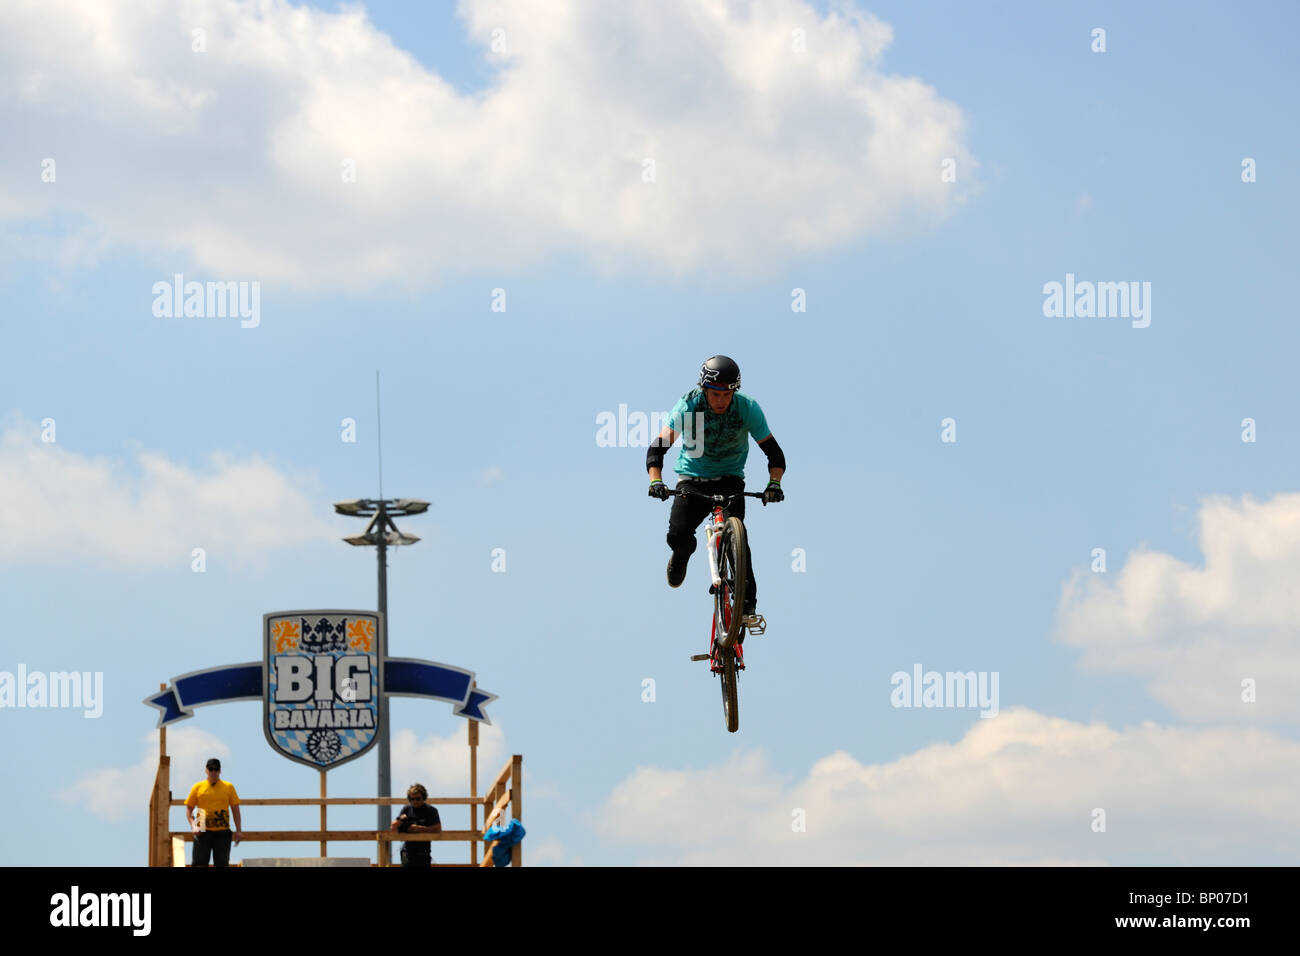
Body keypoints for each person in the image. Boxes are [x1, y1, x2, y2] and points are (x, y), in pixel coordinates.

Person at [647, 355, 785, 626]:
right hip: (693, 479)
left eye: (728, 393)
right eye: (715, 393)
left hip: (731, 478)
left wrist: (774, 484)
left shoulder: (748, 409)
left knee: (740, 542)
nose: (721, 400)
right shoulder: (688, 406)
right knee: (678, 535)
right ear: (704, 390)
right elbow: (658, 447)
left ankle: (747, 607)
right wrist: (656, 480)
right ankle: (682, 553)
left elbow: (774, 454)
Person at [184, 758, 241, 867]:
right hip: (202, 829)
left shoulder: (228, 787)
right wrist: (193, 825)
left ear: (220, 771)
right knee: (199, 864)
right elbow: (189, 809)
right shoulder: (198, 787)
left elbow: (236, 810)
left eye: (216, 769)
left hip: (222, 831)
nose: (213, 772)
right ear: (206, 771)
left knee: (222, 864)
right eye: (211, 769)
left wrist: (238, 830)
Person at [391, 783, 441, 867]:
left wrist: (419, 828)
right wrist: (400, 820)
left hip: (423, 852)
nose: (414, 801)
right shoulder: (406, 809)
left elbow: (438, 829)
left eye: (417, 799)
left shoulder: (431, 810)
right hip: (407, 851)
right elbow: (393, 827)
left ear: (423, 798)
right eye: (412, 799)